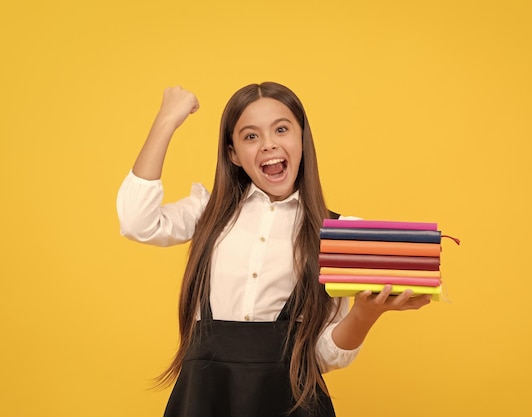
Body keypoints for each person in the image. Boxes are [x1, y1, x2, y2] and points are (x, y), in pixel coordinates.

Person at [116, 82, 432, 417]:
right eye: (250, 136)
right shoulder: (206, 212)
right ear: (233, 154)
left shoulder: (340, 234)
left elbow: (323, 357)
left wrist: (365, 314)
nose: (268, 144)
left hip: (292, 405)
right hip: (204, 398)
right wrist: (166, 121)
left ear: (301, 139)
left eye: (281, 129)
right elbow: (137, 221)